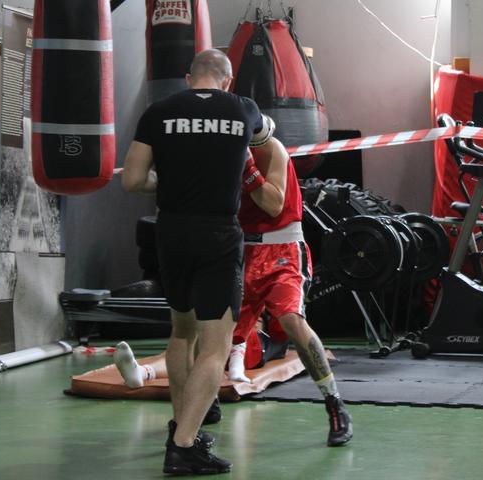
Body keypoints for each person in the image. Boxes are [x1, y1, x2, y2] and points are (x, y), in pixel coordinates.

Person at [122, 49, 264, 476]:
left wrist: (168, 179)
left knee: (181, 332)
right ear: (227, 78)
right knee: (216, 343)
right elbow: (263, 138)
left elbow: (131, 180)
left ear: (188, 77)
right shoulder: (244, 108)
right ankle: (184, 445)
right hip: (217, 234)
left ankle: (180, 427)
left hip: (170, 232)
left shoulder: (158, 111)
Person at [227, 136, 353, 446]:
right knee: (216, 331)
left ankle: (334, 403)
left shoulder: (271, 148)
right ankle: (202, 407)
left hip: (281, 248)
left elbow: (272, 205)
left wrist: (247, 167)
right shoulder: (221, 148)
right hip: (241, 250)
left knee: (291, 320)